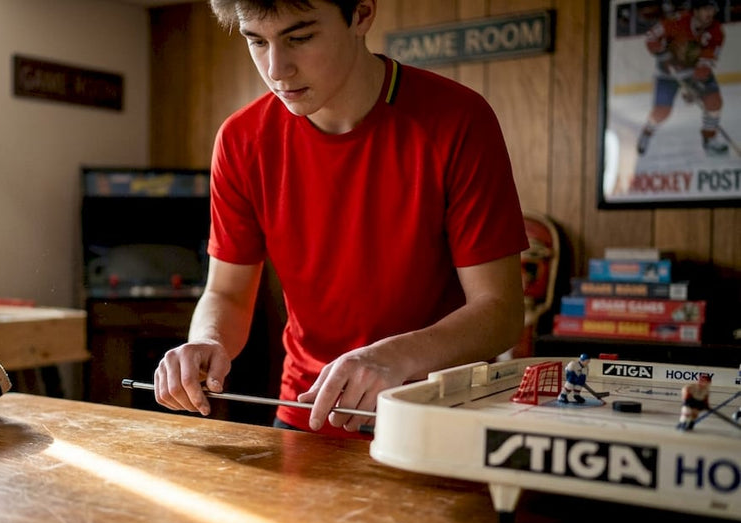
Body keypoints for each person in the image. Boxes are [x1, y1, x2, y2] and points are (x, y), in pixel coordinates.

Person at [151, 0, 527, 438]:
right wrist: (208, 341)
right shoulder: (240, 140)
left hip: (432, 414)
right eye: (257, 41)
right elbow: (228, 293)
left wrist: (392, 357)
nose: (277, 69)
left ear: (361, 15)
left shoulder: (459, 119)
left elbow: (499, 312)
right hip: (304, 411)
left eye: (300, 37)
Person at [636, 0, 727, 156]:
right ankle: (647, 132)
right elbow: (651, 37)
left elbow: (705, 63)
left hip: (693, 70)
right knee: (661, 112)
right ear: (695, 11)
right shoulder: (676, 21)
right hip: (667, 73)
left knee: (714, 102)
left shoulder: (716, 31)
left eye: (713, 9)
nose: (710, 13)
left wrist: (694, 88)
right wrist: (660, 52)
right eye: (706, 8)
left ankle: (709, 139)